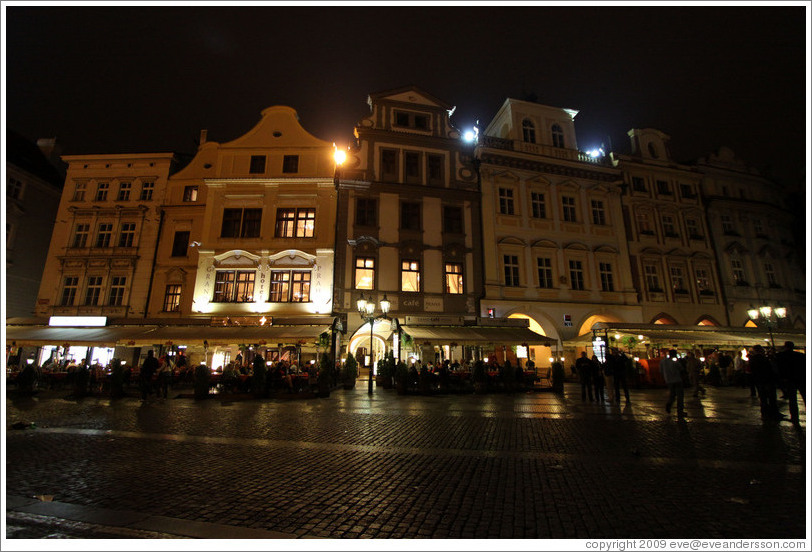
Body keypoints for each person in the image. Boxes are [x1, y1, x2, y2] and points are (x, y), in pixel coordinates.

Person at [774, 341, 805, 427]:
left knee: (793, 399)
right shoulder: (800, 356)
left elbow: (778, 367)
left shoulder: (781, 356)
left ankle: (794, 417)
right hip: (801, 379)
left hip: (789, 380)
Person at [749, 344, 782, 421]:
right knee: (771, 398)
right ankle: (773, 413)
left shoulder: (753, 359)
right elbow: (769, 369)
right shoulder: (763, 359)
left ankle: (765, 413)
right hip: (767, 380)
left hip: (759, 380)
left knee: (763, 398)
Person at [661, 349, 686, 418]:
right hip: (677, 380)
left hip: (668, 380)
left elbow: (661, 371)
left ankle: (669, 404)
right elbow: (681, 369)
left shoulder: (663, 361)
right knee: (680, 396)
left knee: (672, 395)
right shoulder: (675, 361)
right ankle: (680, 411)